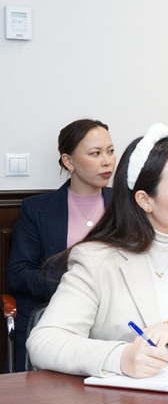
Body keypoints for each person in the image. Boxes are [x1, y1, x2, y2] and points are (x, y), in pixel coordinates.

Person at [27, 124, 168, 378]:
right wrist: (119, 357)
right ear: (145, 200)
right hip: (129, 399)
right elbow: (44, 342)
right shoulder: (96, 259)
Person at [5, 118, 115, 372]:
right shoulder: (37, 209)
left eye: (110, 151)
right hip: (56, 316)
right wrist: (71, 288)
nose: (107, 161)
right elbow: (18, 273)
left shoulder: (126, 205)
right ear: (69, 161)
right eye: (95, 153)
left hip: (113, 319)